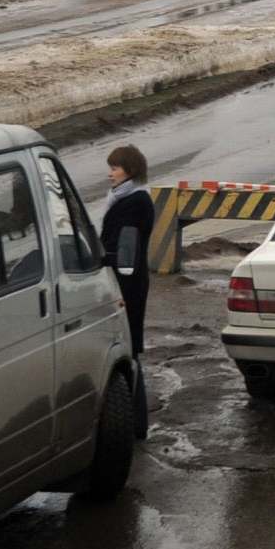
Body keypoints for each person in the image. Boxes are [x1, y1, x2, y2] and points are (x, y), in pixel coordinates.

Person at [101, 143, 156, 437]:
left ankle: (136, 425)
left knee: (129, 348)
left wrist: (101, 258)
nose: (110, 173)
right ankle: (134, 423)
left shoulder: (135, 202)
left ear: (129, 170)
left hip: (128, 282)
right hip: (124, 278)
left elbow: (123, 247)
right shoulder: (122, 198)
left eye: (114, 167)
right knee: (127, 347)